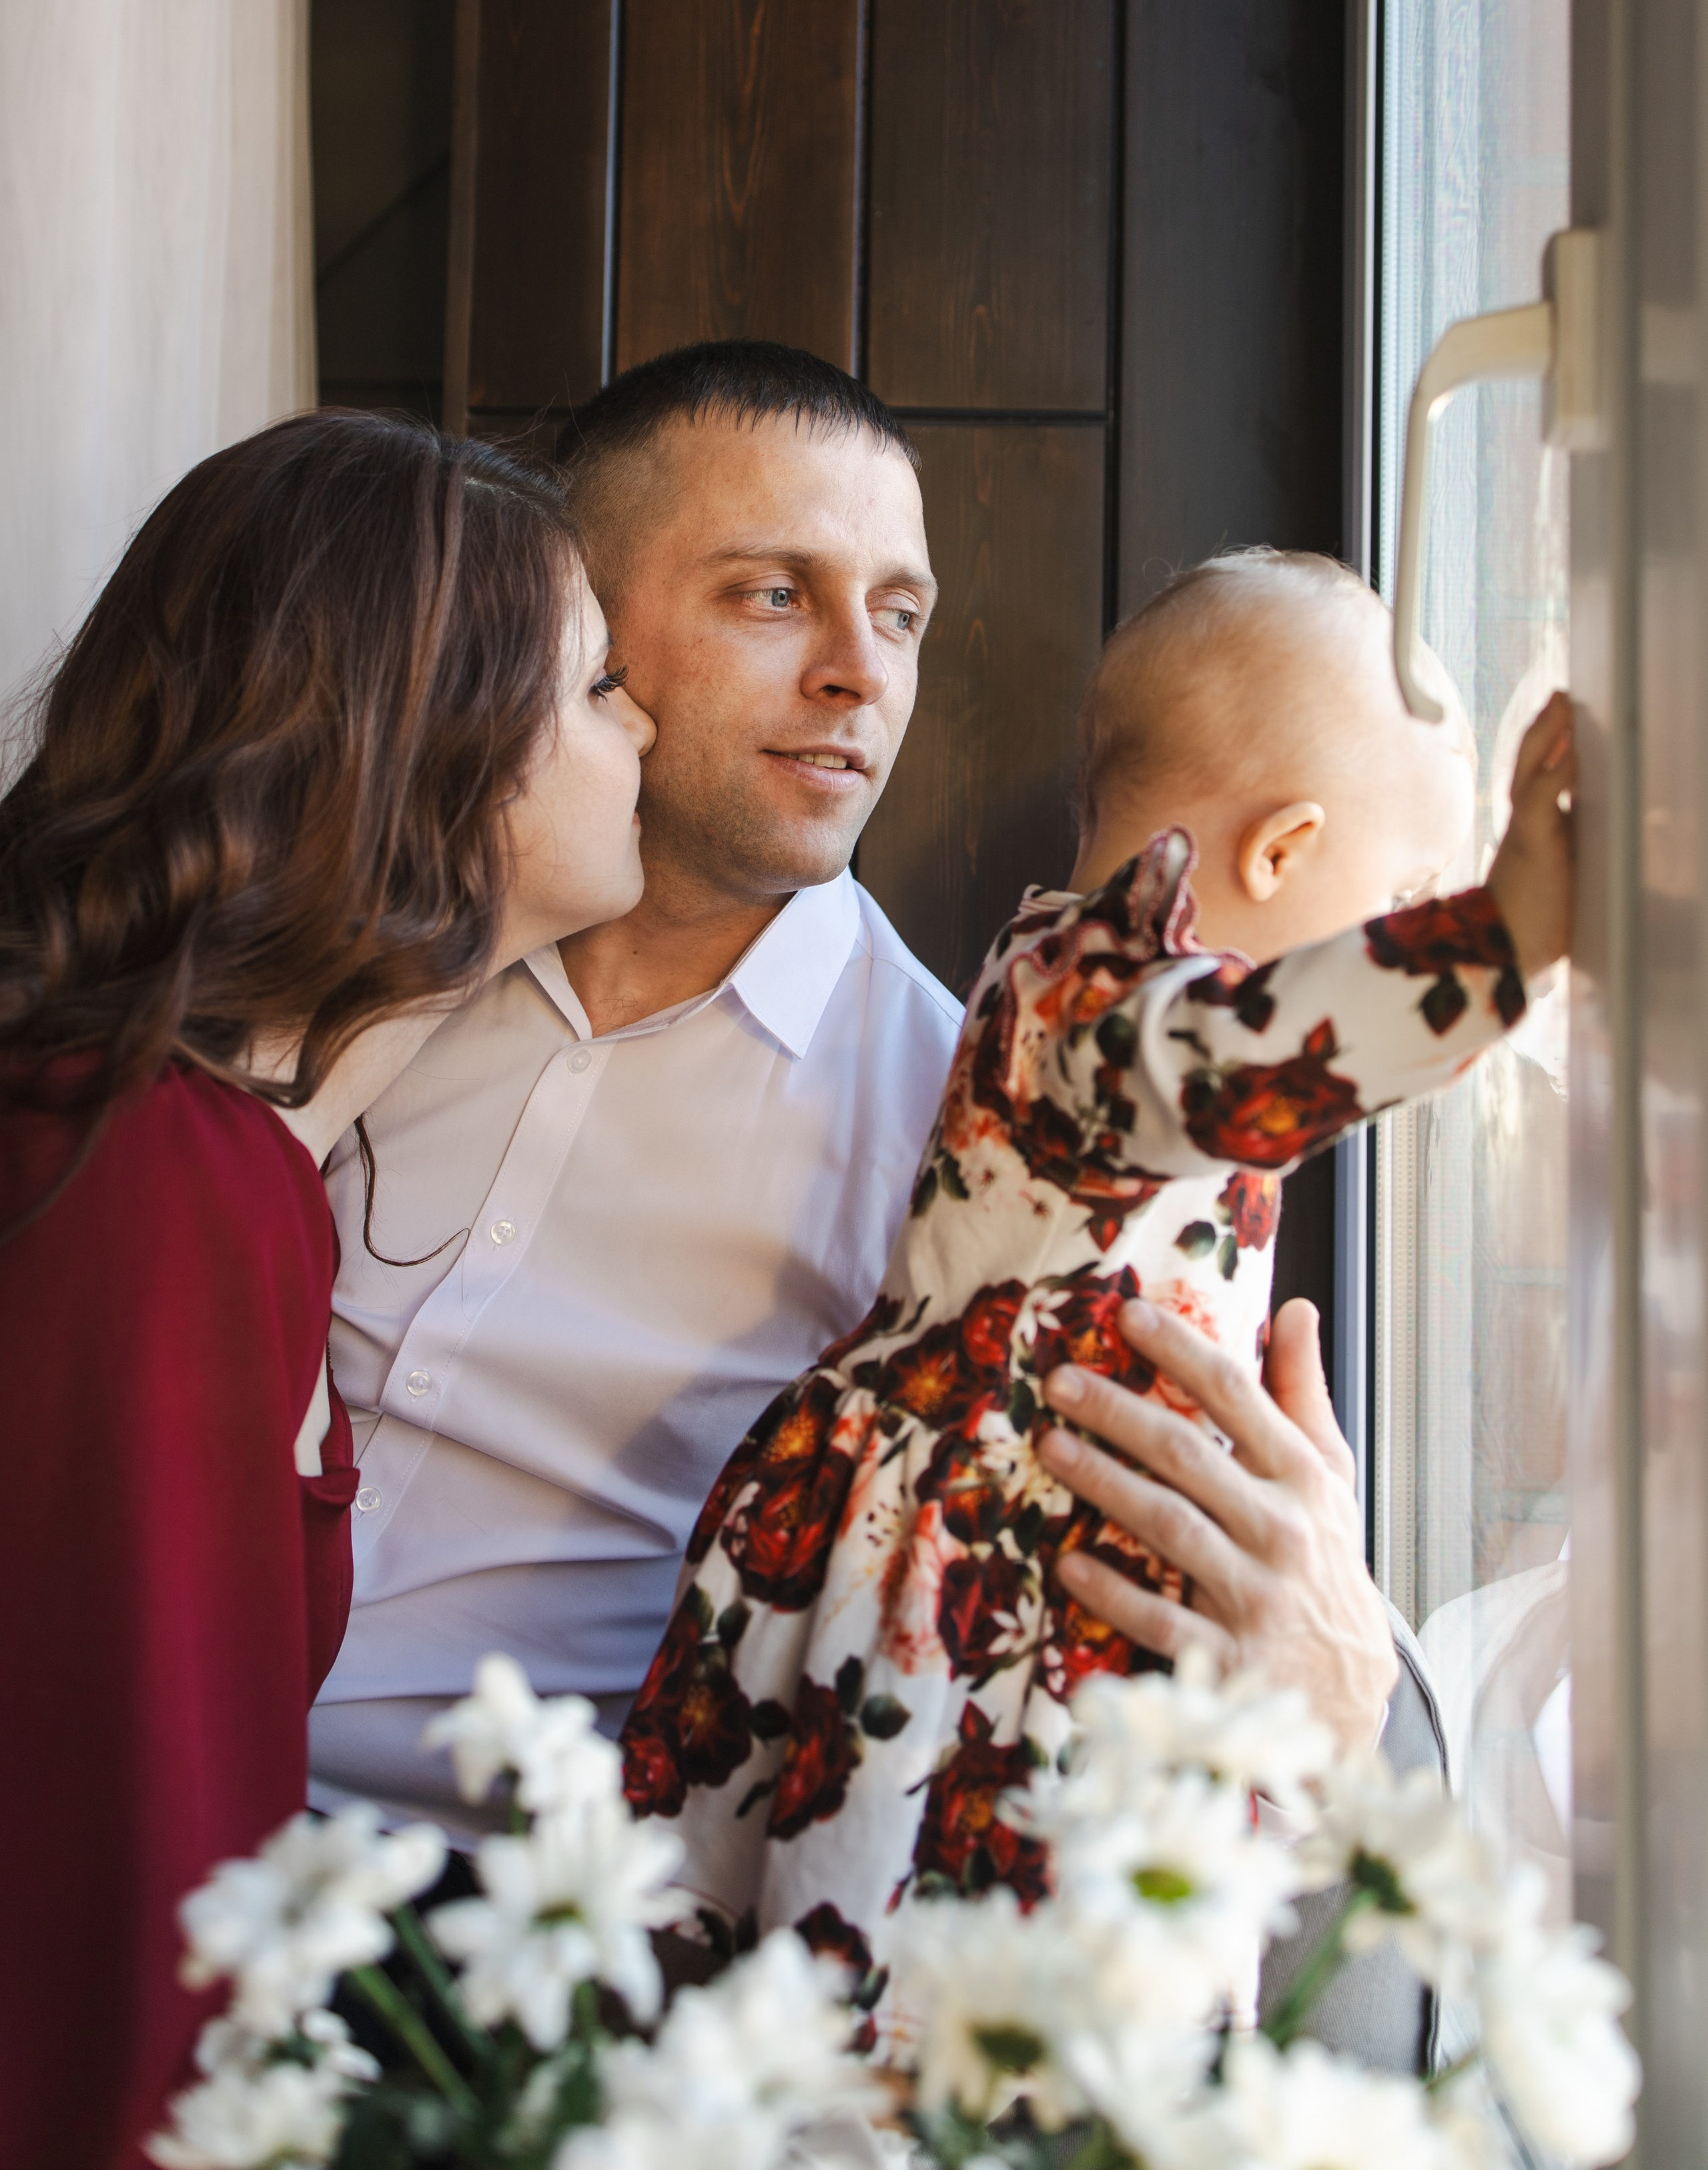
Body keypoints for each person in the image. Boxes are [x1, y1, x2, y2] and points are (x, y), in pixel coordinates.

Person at [619, 554, 1573, 1989]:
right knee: (920, 1964)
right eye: (1401, 898)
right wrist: (1502, 936)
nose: (1407, 930)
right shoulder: (1096, 1002)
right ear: (1280, 852)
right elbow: (1253, 1055)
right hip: (981, 1575)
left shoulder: (1076, 986)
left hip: (1039, 1558)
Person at [0, 413, 654, 2170]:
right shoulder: (140, 1179)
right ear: (432, 742)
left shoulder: (240, 1172)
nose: (645, 729)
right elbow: (113, 1884)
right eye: (599, 687)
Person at [307, 345, 963, 1828]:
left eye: (900, 612)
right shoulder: (354, 924)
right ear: (579, 617)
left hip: (502, 1903)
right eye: (773, 594)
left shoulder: (947, 1123)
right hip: (124, 1745)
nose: (860, 672)